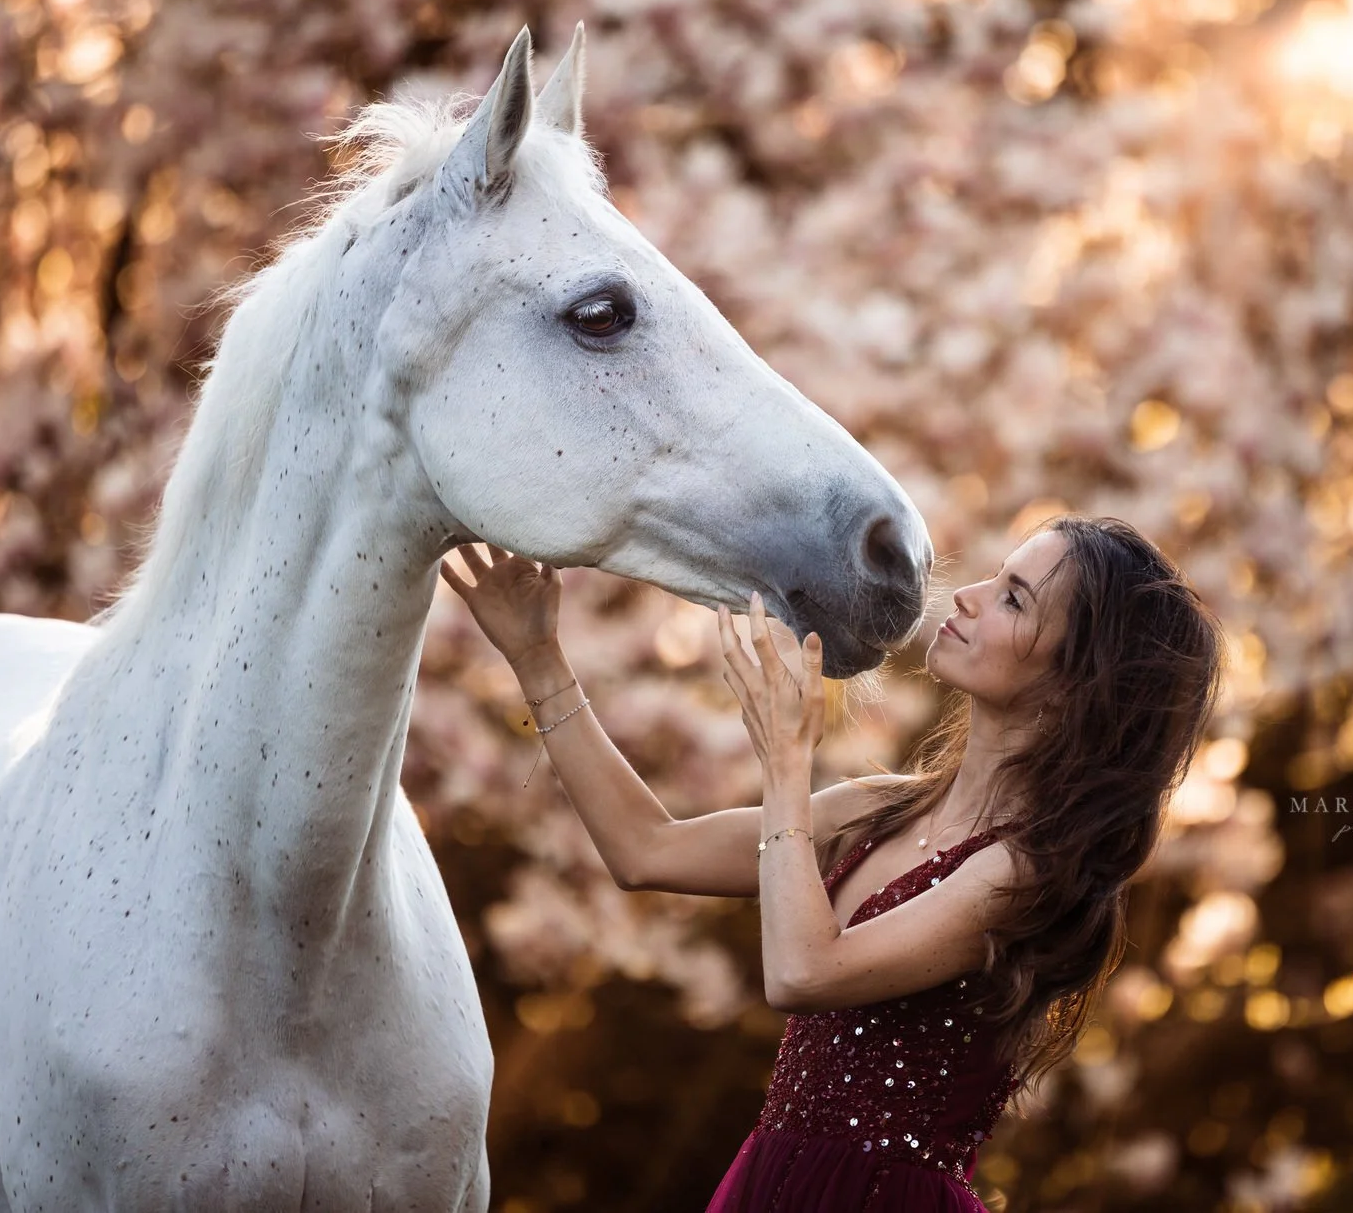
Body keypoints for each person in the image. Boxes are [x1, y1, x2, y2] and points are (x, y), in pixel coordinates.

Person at [441, 514, 1222, 1211]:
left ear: (1077, 687)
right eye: (996, 574)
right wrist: (539, 657)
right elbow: (646, 849)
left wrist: (787, 762)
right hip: (772, 1182)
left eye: (1014, 599)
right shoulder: (881, 809)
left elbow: (804, 973)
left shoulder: (1022, 873)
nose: (969, 595)